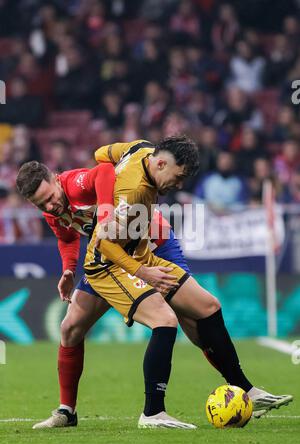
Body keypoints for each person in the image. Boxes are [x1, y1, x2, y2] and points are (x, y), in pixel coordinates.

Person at [86, 137, 293, 428]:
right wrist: (143, 273)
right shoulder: (133, 192)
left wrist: (108, 188)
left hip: (140, 254)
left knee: (208, 306)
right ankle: (152, 413)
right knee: (165, 321)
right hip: (109, 265)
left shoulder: (139, 148)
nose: (179, 185)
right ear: (161, 164)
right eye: (178, 177)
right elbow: (107, 245)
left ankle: (245, 389)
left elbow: (100, 153)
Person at [16, 155, 192, 429]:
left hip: (149, 242)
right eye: (41, 204)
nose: (50, 205)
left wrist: (107, 209)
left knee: (193, 314)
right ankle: (67, 412)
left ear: (55, 179)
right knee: (70, 328)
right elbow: (67, 238)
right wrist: (68, 270)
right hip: (109, 259)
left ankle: (235, 385)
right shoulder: (52, 212)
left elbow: (104, 170)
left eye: (49, 196)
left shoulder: (73, 184)